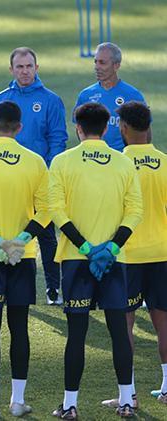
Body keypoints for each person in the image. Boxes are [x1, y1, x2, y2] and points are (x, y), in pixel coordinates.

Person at [49, 102, 142, 419]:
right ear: (106, 128)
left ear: (78, 128)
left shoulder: (62, 162)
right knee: (119, 331)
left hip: (76, 261)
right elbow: (135, 211)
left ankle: (70, 405)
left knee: (76, 334)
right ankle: (127, 401)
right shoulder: (123, 163)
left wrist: (87, 248)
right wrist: (111, 248)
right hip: (115, 261)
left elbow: (56, 211)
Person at [0, 101, 51, 418]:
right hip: (22, 257)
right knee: (20, 327)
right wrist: (20, 241)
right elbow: (46, 210)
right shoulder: (35, 162)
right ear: (19, 127)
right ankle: (17, 401)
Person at [0, 46, 67, 306]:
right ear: (11, 70)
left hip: (39, 178)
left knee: (46, 233)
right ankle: (1, 282)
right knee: (6, 226)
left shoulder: (51, 100)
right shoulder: (1, 98)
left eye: (29, 66)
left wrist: (47, 172)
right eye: (19, 67)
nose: (25, 71)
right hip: (7, 178)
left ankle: (53, 287)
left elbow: (57, 138)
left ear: (37, 68)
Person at [99, 101, 167, 408]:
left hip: (126, 255)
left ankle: (129, 395)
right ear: (148, 126)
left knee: (123, 324)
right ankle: (166, 388)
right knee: (163, 322)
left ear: (123, 128)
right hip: (162, 252)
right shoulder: (165, 162)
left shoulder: (117, 164)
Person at [74, 42, 148, 152]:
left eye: (102, 63)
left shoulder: (133, 95)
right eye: (95, 62)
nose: (97, 67)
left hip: (123, 157)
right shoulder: (86, 95)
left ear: (116, 65)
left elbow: (145, 132)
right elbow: (79, 128)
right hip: (95, 157)